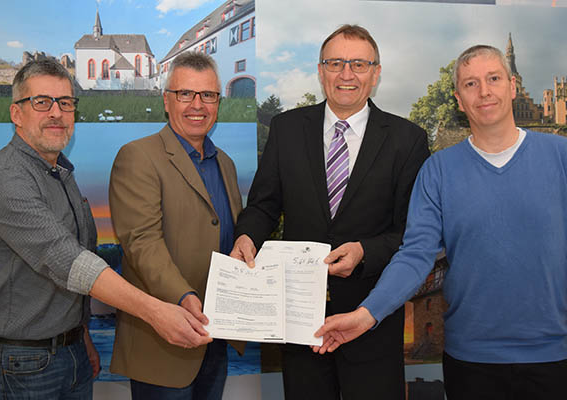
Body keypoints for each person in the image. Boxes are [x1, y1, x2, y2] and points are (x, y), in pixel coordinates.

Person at [315, 44, 567, 400]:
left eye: (493, 78)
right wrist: (366, 315)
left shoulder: (560, 156)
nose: (484, 91)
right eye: (470, 84)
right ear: (458, 99)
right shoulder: (438, 171)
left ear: (512, 85)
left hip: (555, 356)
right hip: (471, 360)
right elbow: (414, 256)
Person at [0, 58, 212, 400]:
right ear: (16, 114)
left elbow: (74, 265)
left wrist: (80, 338)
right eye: (41, 102)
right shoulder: (4, 179)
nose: (56, 112)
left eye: (65, 103)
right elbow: (69, 262)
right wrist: (156, 312)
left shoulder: (60, 173)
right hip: (21, 365)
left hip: (70, 353)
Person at [231, 25, 429, 399]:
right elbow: (263, 205)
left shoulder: (408, 140)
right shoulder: (287, 128)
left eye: (358, 63)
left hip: (371, 319)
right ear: (320, 71)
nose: (346, 74)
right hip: (299, 322)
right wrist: (247, 235)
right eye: (335, 63)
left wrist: (365, 252)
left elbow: (412, 233)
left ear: (376, 72)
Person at [108, 52, 244, 400]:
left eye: (208, 95)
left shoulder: (225, 164)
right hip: (163, 341)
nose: (197, 105)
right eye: (185, 94)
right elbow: (141, 242)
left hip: (216, 339)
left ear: (218, 102)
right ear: (166, 101)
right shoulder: (138, 156)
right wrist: (184, 297)